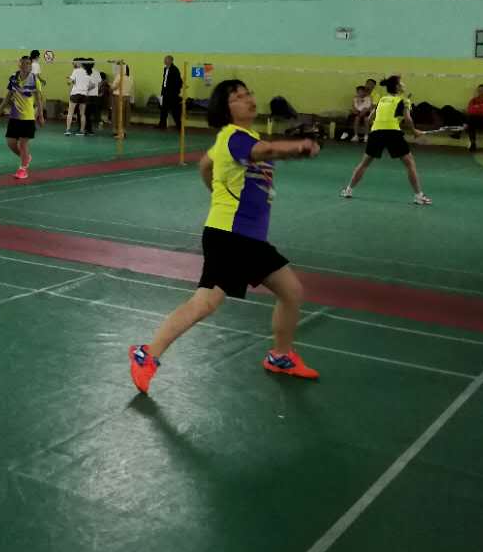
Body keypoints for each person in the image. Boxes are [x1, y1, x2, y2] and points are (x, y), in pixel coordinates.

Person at [128, 78, 321, 394]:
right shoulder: (234, 137)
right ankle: (146, 354)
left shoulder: (235, 139)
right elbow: (267, 150)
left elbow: (205, 165)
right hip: (229, 235)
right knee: (205, 302)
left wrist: (217, 190)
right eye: (238, 97)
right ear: (225, 108)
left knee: (291, 291)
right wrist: (298, 147)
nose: (248, 99)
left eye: (248, 93)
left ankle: (280, 356)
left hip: (249, 238)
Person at [340, 75, 431, 205]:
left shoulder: (382, 99)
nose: (403, 84)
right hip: (393, 133)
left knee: (364, 163)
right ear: (397, 87)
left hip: (376, 132)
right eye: (401, 83)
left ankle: (348, 190)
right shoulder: (404, 100)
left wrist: (381, 126)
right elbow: (408, 119)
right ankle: (418, 196)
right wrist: (415, 131)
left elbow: (370, 119)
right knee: (410, 164)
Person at [0, 55, 45, 180]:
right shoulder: (14, 78)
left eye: (28, 63)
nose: (26, 66)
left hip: (28, 117)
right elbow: (9, 95)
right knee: (11, 143)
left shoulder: (34, 80)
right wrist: (1, 108)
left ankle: (23, 169)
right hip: (14, 116)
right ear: (19, 64)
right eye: (23, 63)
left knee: (23, 144)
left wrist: (40, 115)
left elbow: (39, 99)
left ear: (31, 66)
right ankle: (26, 158)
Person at [465, 84, 483, 152]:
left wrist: (477, 109)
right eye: (479, 90)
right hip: (473, 120)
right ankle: (473, 144)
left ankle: (464, 129)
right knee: (471, 121)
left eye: (482, 90)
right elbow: (470, 110)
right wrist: (481, 109)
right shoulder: (473, 100)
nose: (480, 91)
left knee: (470, 121)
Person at [65, 57, 89, 135]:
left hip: (75, 93)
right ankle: (82, 130)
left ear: (80, 63)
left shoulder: (76, 70)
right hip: (84, 94)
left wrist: (69, 80)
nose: (74, 64)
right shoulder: (88, 71)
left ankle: (68, 130)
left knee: (70, 113)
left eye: (75, 62)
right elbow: (89, 84)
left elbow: (69, 82)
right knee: (82, 114)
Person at [159, 55, 183, 131]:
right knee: (163, 110)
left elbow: (179, 82)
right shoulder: (165, 69)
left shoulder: (175, 70)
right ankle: (162, 125)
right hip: (165, 93)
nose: (164, 61)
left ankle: (180, 126)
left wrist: (175, 92)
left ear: (171, 61)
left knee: (175, 111)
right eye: (164, 59)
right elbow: (165, 81)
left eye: (166, 59)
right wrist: (162, 92)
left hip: (172, 94)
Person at [112, 62, 133, 136]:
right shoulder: (130, 77)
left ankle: (117, 131)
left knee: (117, 115)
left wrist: (109, 85)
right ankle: (124, 131)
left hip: (118, 97)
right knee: (125, 115)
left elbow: (114, 87)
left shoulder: (119, 76)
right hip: (127, 97)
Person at [84, 60, 104, 135]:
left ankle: (88, 129)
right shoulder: (97, 72)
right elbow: (100, 82)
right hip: (95, 95)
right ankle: (99, 122)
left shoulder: (85, 72)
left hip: (87, 95)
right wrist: (97, 89)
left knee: (87, 113)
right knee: (95, 111)